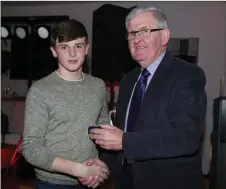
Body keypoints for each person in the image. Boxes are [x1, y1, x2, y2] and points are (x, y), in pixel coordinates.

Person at [87, 6, 207, 189]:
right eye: (131, 34)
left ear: (164, 37)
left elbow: (187, 138)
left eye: (144, 31)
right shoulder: (128, 80)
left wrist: (124, 141)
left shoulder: (187, 75)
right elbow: (121, 134)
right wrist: (103, 166)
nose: (137, 39)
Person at [21, 19, 110, 189]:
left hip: (90, 178)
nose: (72, 53)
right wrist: (78, 169)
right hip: (53, 183)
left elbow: (102, 124)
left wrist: (99, 164)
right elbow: (31, 148)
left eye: (78, 46)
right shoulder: (40, 90)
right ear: (54, 51)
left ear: (87, 48)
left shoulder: (98, 85)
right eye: (64, 47)